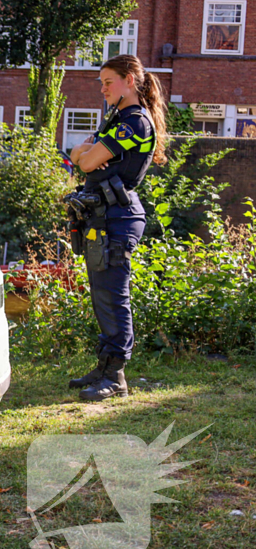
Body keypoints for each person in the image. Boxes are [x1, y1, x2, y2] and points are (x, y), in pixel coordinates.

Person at [66, 54, 168, 401]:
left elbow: (87, 159)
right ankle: (104, 366)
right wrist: (82, 155)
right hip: (103, 217)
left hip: (118, 219)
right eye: (101, 83)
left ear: (130, 81)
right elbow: (79, 158)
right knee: (102, 295)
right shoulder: (117, 120)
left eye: (108, 82)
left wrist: (85, 154)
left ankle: (116, 376)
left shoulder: (134, 122)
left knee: (113, 296)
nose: (103, 89)